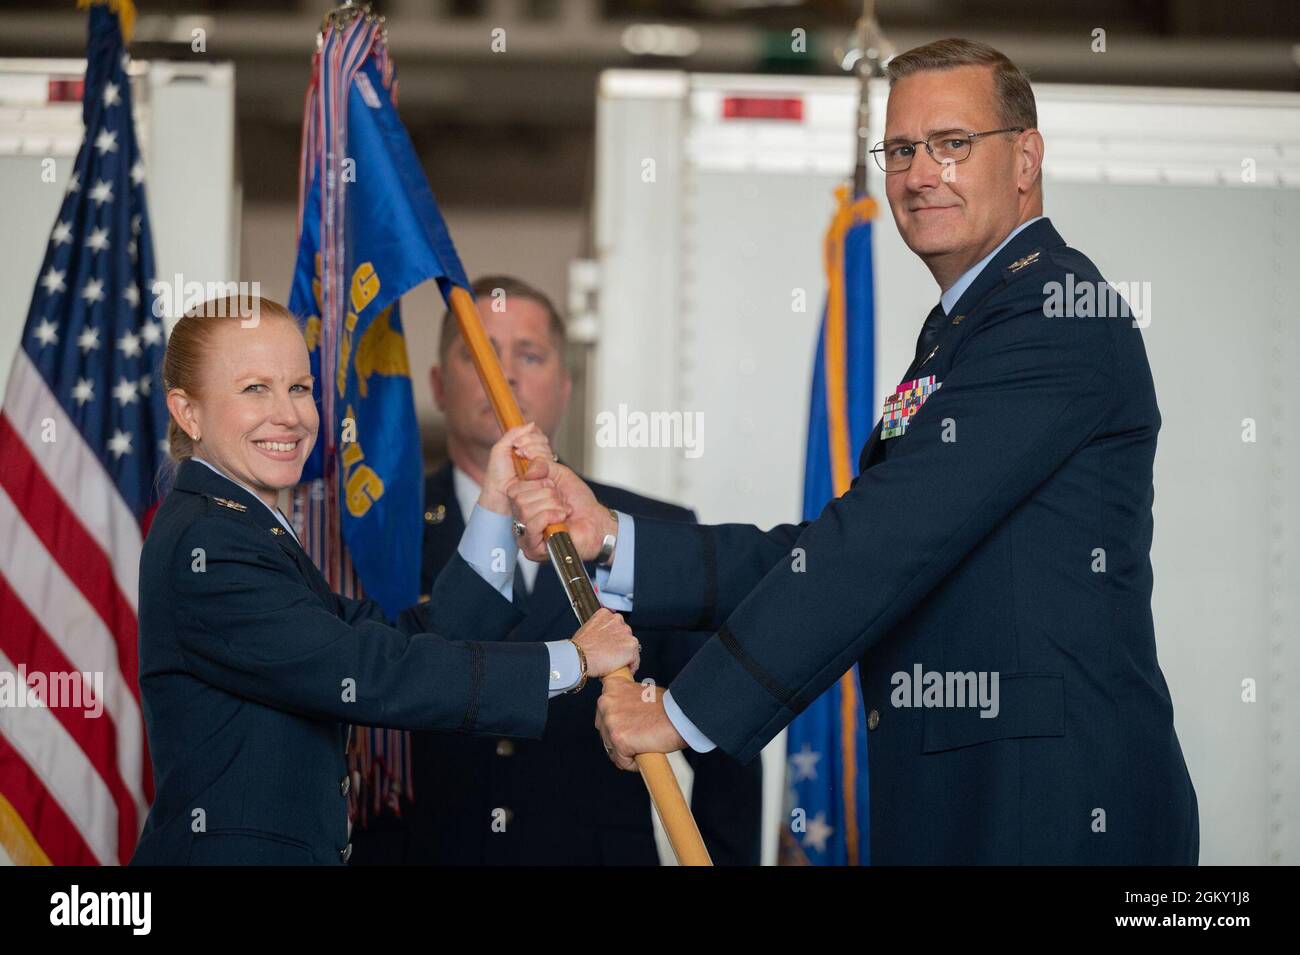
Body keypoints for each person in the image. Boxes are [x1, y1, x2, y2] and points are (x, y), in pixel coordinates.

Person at [510, 39, 1199, 865]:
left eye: (952, 144)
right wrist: (616, 538)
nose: (918, 174)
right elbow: (839, 546)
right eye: (901, 150)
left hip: (1046, 809)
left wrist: (686, 712)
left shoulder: (1053, 309)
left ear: (1025, 158)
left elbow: (883, 542)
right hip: (975, 804)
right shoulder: (966, 326)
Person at [131, 295, 639, 865]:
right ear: (187, 412)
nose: (289, 415)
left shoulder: (245, 527)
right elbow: (370, 673)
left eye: (300, 388)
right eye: (255, 389)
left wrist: (495, 502)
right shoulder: (210, 539)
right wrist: (570, 659)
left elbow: (402, 638)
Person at [348, 276, 762, 865]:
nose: (507, 374)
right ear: (439, 384)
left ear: (565, 387)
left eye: (530, 354)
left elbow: (718, 726)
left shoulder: (649, 530)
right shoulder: (378, 529)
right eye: (481, 354)